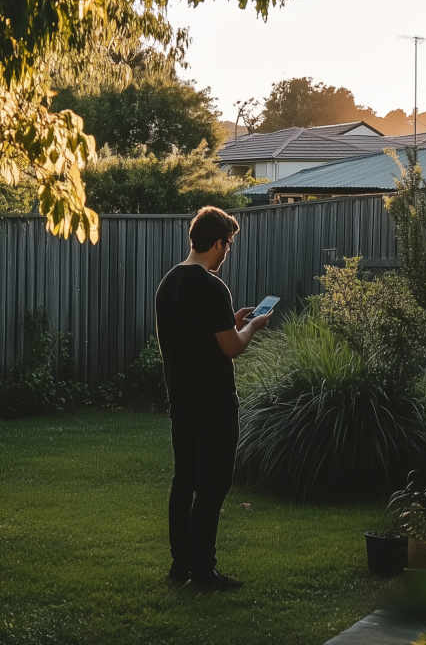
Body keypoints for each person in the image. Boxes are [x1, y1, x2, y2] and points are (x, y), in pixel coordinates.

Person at [155, 206, 271, 591]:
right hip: (215, 404)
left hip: (181, 401)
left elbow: (182, 339)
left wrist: (231, 322)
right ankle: (203, 572)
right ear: (218, 243)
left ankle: (180, 565)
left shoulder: (169, 282)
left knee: (184, 480)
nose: (228, 251)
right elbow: (231, 348)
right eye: (229, 244)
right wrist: (252, 326)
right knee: (212, 485)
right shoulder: (212, 285)